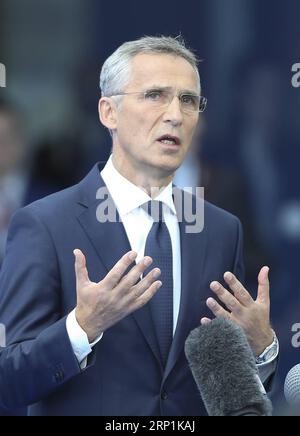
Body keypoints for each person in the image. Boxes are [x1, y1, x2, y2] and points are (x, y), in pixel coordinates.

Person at [0, 36, 278, 416]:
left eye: (188, 100)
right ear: (108, 113)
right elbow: (9, 380)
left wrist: (262, 349)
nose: (175, 115)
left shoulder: (221, 230)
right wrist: (81, 328)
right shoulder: (44, 224)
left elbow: (233, 398)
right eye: (154, 95)